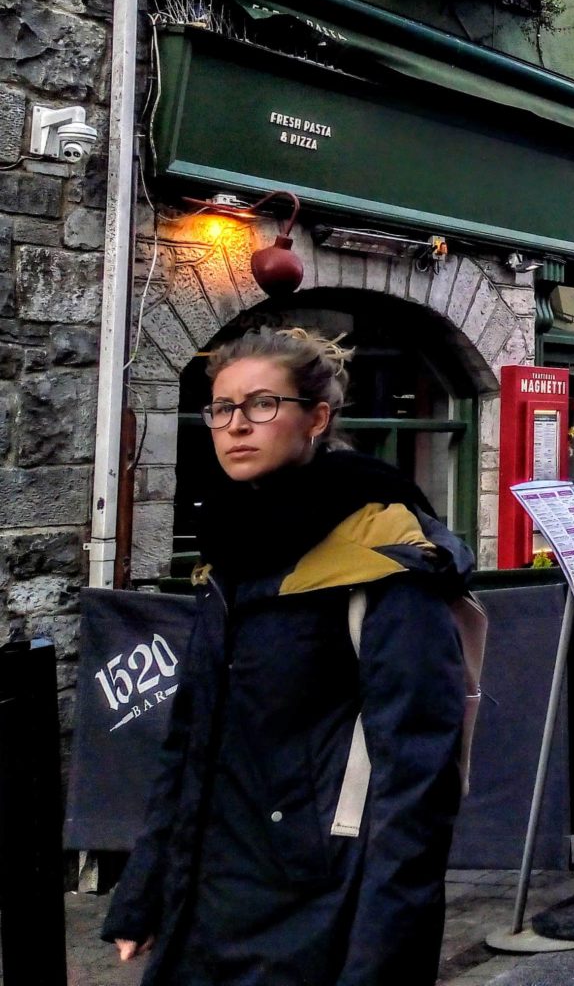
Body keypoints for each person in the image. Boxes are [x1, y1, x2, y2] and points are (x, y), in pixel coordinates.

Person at [106, 327, 473, 985]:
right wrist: (144, 893)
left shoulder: (382, 555)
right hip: (210, 897)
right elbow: (191, 742)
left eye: (262, 404)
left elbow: (417, 782)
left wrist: (382, 960)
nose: (235, 426)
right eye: (221, 408)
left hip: (318, 905)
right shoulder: (231, 546)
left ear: (318, 419)